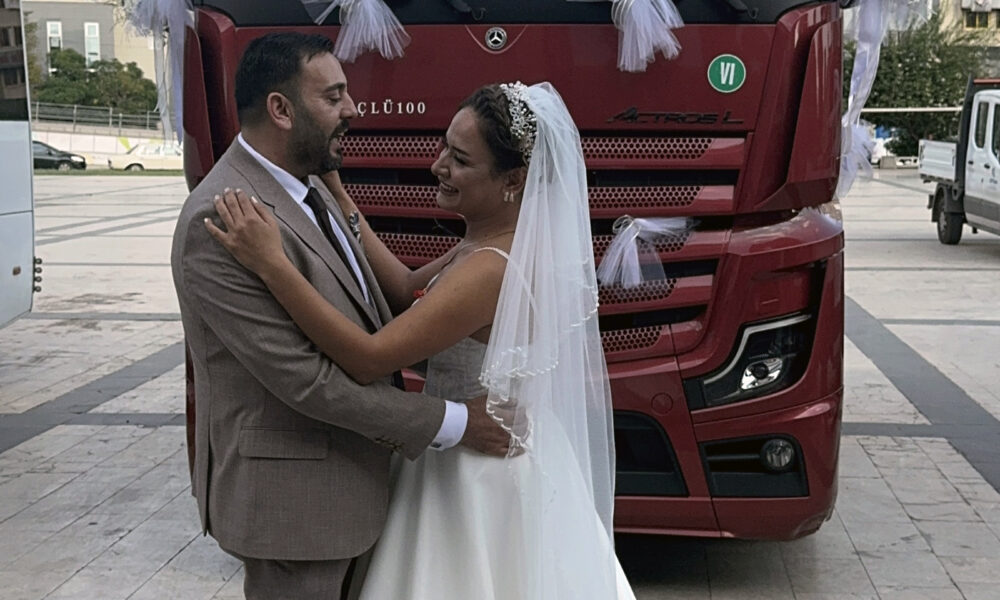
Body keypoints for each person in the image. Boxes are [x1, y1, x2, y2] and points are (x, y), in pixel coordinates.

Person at [207, 80, 636, 599]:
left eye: (459, 159)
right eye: (444, 147)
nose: (437, 166)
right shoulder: (494, 244)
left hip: (474, 473)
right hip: (492, 451)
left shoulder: (490, 269)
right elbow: (406, 287)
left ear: (514, 180)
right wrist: (341, 199)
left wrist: (273, 265)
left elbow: (369, 358)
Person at [170, 32, 510, 600]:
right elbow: (307, 380)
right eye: (334, 96)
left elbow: (385, 301)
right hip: (295, 511)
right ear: (281, 110)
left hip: (358, 489)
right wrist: (453, 421)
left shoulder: (310, 183)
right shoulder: (223, 219)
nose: (353, 109)